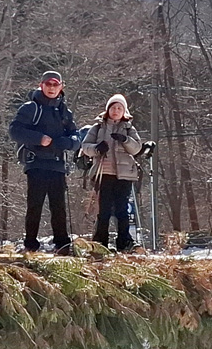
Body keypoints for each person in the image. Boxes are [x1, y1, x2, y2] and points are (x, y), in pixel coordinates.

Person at [9, 71, 79, 254]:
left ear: (61, 87)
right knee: (35, 205)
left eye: (55, 85)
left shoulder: (65, 112)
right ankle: (30, 245)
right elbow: (14, 131)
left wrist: (68, 143)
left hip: (57, 165)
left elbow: (76, 137)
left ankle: (62, 245)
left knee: (59, 206)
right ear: (41, 85)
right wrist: (39, 139)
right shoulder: (30, 108)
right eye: (48, 84)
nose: (52, 88)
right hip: (36, 164)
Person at [81, 94, 142, 252]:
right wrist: (96, 149)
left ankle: (124, 243)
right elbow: (85, 147)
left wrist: (125, 140)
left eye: (119, 108)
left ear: (124, 111)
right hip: (103, 174)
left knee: (122, 210)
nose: (116, 111)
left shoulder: (129, 129)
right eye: (113, 107)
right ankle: (100, 243)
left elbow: (137, 148)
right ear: (108, 109)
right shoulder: (97, 128)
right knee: (104, 210)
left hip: (124, 175)